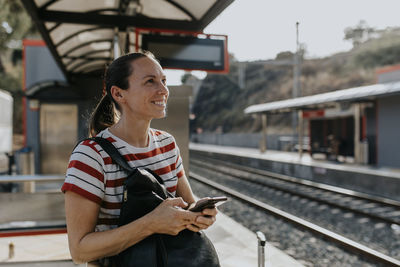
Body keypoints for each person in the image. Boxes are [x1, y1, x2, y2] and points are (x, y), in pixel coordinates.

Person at [61, 52, 218, 266]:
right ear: (118, 94)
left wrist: (200, 214)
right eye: (150, 81)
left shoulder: (168, 144)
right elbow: (79, 250)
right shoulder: (91, 156)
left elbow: (188, 205)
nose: (163, 90)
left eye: (163, 81)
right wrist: (151, 224)